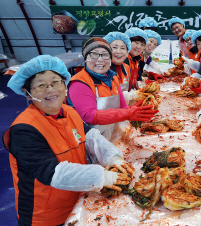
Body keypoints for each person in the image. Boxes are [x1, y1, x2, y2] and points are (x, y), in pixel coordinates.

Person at [3, 55, 135, 226]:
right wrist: (103, 176)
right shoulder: (24, 129)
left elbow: (91, 138)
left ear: (64, 84)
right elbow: (52, 173)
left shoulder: (69, 111)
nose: (50, 89)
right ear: (28, 94)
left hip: (78, 201)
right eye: (41, 85)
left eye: (56, 82)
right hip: (46, 215)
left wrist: (113, 158)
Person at [67, 37, 156, 140]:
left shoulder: (112, 77)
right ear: (86, 58)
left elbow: (123, 107)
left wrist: (138, 113)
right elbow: (89, 116)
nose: (100, 59)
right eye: (94, 54)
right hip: (91, 141)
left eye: (105, 55)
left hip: (113, 135)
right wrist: (127, 113)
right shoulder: (79, 83)